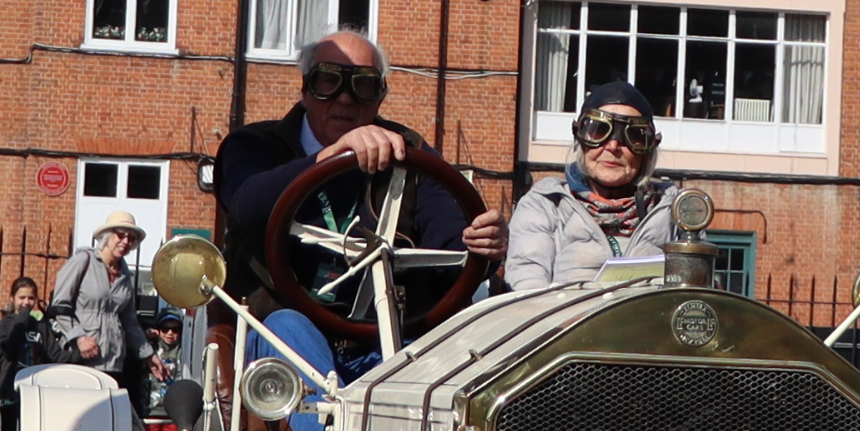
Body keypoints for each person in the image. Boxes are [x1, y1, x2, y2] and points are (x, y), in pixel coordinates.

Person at [211, 30, 504, 329]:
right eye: (328, 80)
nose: (345, 97)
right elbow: (246, 204)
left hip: (386, 330)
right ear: (306, 90)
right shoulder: (254, 145)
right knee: (289, 326)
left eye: (364, 84)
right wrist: (330, 155)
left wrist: (484, 243)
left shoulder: (410, 154)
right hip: (280, 329)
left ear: (380, 97)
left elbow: (453, 250)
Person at [501, 83, 696, 290]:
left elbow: (695, 288)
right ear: (580, 138)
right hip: (565, 312)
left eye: (633, 135)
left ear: (648, 150)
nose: (613, 146)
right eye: (598, 130)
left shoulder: (678, 211)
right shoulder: (545, 205)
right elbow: (527, 286)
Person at [48, 217, 155, 401]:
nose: (125, 241)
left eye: (131, 238)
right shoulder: (83, 261)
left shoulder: (125, 275)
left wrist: (149, 355)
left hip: (113, 360)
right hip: (82, 357)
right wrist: (79, 338)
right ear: (107, 236)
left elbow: (130, 322)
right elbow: (59, 306)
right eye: (120, 235)